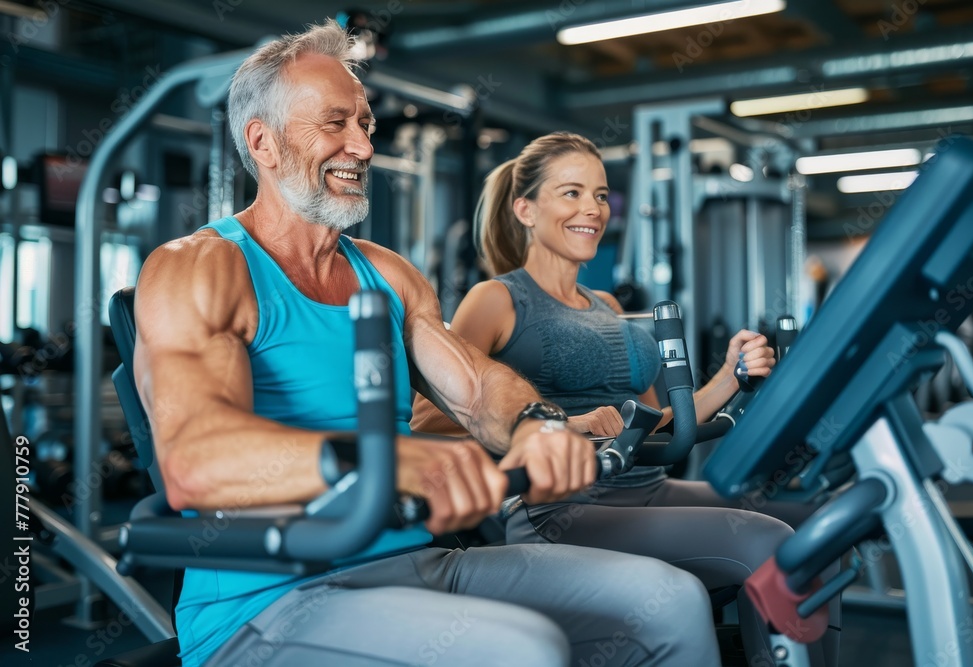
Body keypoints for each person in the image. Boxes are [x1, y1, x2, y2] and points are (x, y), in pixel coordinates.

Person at [133, 21, 722, 667]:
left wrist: (537, 424)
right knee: (521, 649)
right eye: (336, 124)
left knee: (669, 597)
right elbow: (194, 461)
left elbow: (476, 389)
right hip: (269, 602)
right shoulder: (200, 266)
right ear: (263, 143)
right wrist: (391, 461)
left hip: (416, 561)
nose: (361, 145)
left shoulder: (386, 272)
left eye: (365, 124)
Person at [411, 132, 840, 666]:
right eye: (570, 193)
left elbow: (657, 421)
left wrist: (730, 375)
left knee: (818, 528)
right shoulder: (497, 298)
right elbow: (431, 415)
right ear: (525, 208)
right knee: (767, 542)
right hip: (568, 508)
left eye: (599, 195)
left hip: (648, 486)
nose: (592, 209)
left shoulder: (607, 303)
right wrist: (558, 425)